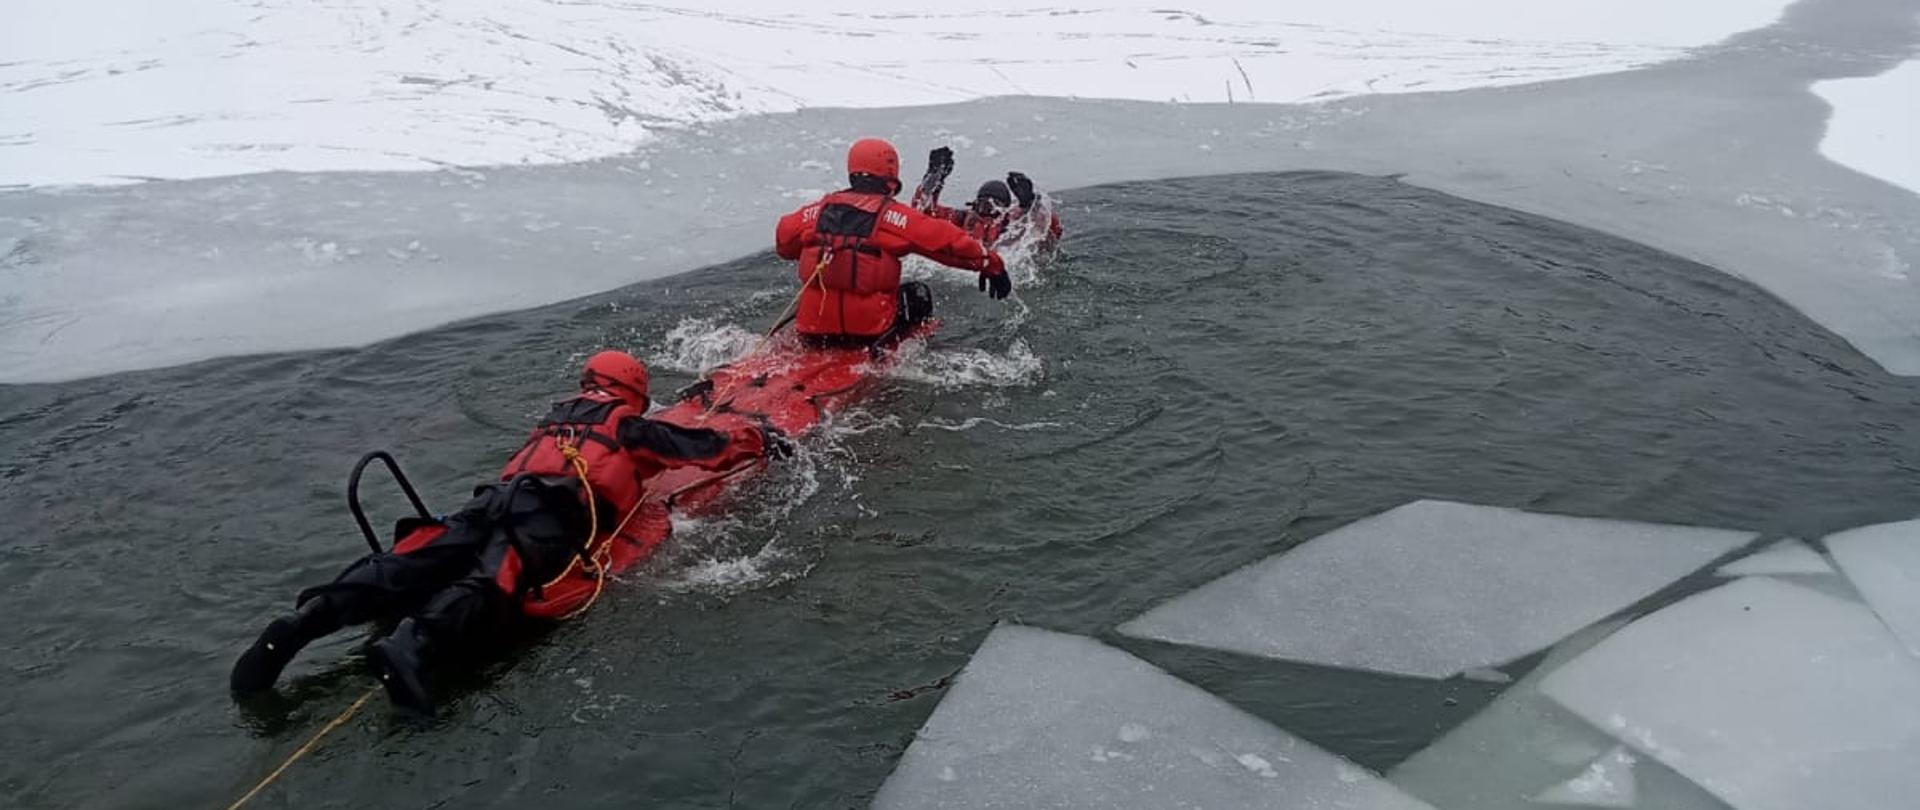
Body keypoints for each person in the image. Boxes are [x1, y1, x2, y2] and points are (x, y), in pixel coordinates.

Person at [229, 350, 782, 714]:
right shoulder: (629, 425)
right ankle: (413, 646)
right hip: (544, 515)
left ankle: (304, 621)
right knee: (497, 576)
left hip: (493, 499)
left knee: (422, 552)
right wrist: (760, 439)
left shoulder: (554, 416)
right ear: (632, 391)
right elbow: (702, 449)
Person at [775, 137, 1011, 344]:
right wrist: (991, 264)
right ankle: (898, 351)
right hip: (868, 335)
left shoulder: (816, 212)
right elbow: (948, 243)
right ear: (890, 172)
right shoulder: (893, 217)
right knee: (918, 294)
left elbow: (784, 242)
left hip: (812, 333)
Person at [911, 147, 1063, 252]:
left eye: (993, 208)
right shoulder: (961, 218)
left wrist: (1029, 203)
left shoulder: (1012, 225)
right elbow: (921, 214)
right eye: (982, 206)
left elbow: (1049, 231)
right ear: (974, 205)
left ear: (1005, 210)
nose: (985, 215)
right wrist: (933, 179)